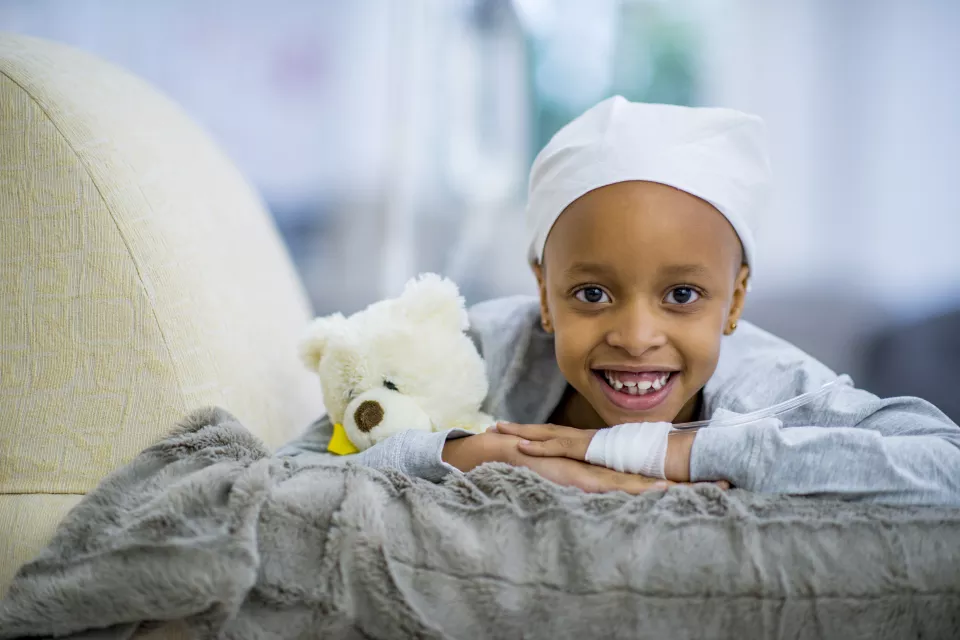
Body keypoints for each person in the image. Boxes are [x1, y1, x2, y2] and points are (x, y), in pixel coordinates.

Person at [277, 96, 960, 506]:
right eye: (592, 293)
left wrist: (669, 453)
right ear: (544, 292)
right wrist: (475, 456)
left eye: (683, 295)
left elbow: (946, 468)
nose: (636, 335)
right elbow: (291, 474)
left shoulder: (778, 389)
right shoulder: (479, 350)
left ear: (734, 300)